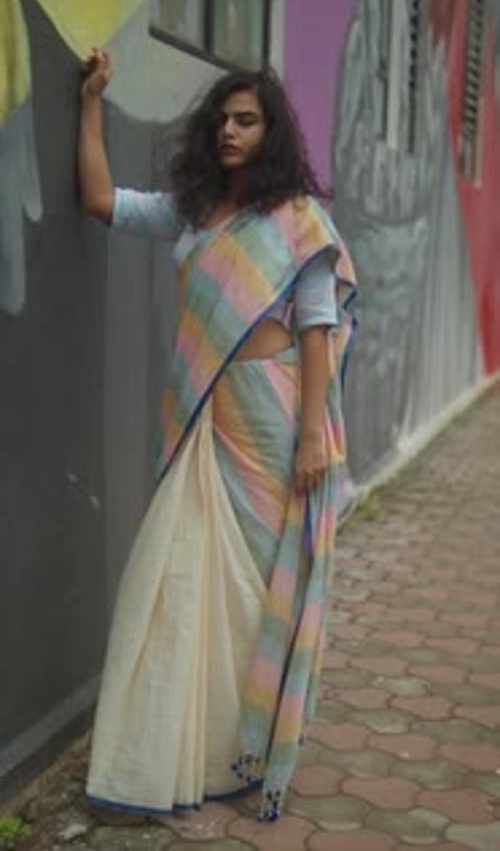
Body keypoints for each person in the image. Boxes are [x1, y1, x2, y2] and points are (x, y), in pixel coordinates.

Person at [79, 47, 356, 822]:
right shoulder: (195, 211)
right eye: (223, 121)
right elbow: (102, 201)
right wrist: (91, 102)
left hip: (273, 412)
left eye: (247, 121)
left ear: (272, 134)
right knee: (182, 576)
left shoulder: (296, 221)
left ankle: (245, 744)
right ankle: (179, 752)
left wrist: (312, 436)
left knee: (255, 584)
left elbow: (316, 328)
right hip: (205, 414)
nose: (230, 132)